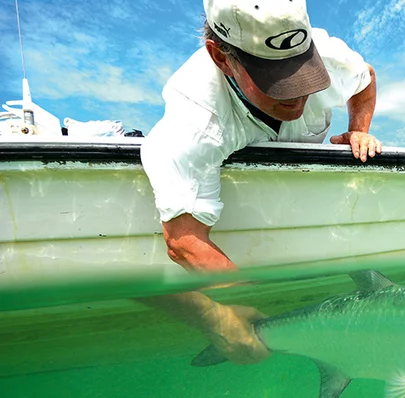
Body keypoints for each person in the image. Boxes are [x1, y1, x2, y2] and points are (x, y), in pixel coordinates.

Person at [138, 0, 380, 365]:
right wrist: (245, 306)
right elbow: (184, 241)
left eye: (304, 73)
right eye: (276, 81)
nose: (298, 96)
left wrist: (359, 130)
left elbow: (367, 78)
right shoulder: (195, 115)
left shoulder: (330, 56)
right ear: (222, 58)